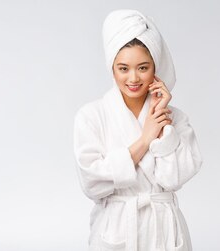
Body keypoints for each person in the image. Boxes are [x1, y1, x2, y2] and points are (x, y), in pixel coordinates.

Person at [73, 9, 203, 251]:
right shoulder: (91, 116)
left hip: (165, 233)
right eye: (123, 68)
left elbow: (173, 179)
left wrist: (164, 133)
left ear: (156, 68)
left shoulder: (175, 119)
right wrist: (145, 139)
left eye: (143, 68)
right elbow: (91, 182)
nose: (133, 78)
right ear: (112, 68)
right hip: (116, 232)